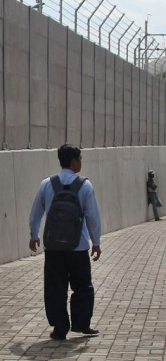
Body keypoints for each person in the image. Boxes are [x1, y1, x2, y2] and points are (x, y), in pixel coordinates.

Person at [29, 144, 102, 341]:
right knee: (82, 285)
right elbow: (92, 216)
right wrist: (96, 241)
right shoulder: (85, 185)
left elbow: (36, 211)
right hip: (78, 246)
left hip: (53, 246)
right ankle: (82, 324)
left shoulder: (47, 184)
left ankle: (60, 328)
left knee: (55, 286)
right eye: (80, 158)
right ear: (73, 161)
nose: (81, 161)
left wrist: (34, 234)